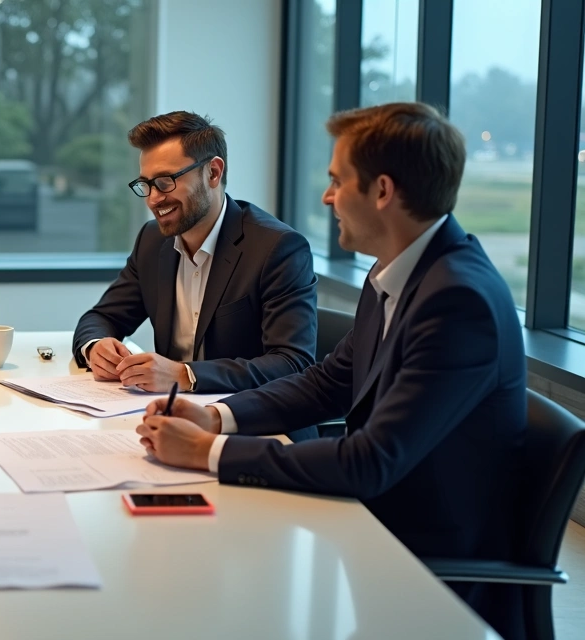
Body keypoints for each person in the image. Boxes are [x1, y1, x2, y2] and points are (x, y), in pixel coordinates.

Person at [135, 102, 525, 638]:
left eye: (337, 181)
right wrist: (218, 419)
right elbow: (328, 381)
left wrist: (207, 452)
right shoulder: (398, 274)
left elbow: (370, 461)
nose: (326, 197)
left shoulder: (457, 300)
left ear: (382, 191)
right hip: (367, 526)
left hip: (420, 567)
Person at [73, 111, 318, 439]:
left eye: (165, 182)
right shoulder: (152, 241)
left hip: (257, 432)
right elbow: (101, 316)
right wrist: (97, 345)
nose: (153, 199)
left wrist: (186, 375)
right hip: (174, 425)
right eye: (145, 185)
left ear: (213, 172)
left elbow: (292, 363)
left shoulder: (277, 248)